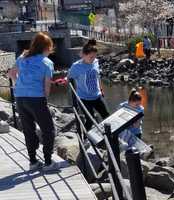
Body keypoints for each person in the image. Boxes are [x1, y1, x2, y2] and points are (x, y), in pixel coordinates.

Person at [8, 32, 57, 171]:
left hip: (20, 97)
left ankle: (33, 161)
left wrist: (20, 84)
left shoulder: (23, 57)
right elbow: (47, 87)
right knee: (48, 130)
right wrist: (45, 100)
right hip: (36, 99)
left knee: (28, 129)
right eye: (50, 47)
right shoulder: (47, 63)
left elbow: (11, 74)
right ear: (46, 47)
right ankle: (48, 162)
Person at [68, 39, 110, 132]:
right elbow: (69, 78)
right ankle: (84, 139)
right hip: (84, 98)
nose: (93, 59)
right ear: (84, 55)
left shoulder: (95, 62)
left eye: (94, 57)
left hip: (97, 96)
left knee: (107, 116)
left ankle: (109, 138)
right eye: (91, 57)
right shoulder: (76, 66)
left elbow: (97, 76)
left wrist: (101, 89)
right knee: (90, 120)